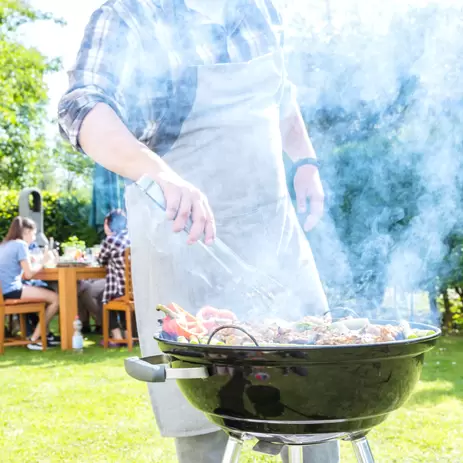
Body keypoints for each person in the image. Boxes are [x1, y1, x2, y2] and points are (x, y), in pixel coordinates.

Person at [58, 1, 339, 462]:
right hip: (183, 234)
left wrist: (305, 160)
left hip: (272, 227)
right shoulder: (130, 14)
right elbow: (81, 104)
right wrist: (157, 172)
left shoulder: (259, 9)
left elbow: (281, 94)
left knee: (318, 387)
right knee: (202, 412)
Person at [0, 217, 60, 350]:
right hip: (12, 290)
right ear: (25, 231)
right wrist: (43, 262)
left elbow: (17, 272)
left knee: (44, 291)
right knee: (56, 299)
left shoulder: (4, 245)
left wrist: (32, 262)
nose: (33, 238)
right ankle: (35, 339)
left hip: (3, 291)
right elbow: (28, 275)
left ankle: (46, 335)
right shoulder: (21, 244)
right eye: (33, 233)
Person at [94, 209, 131, 345]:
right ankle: (128, 334)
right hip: (135, 290)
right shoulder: (132, 237)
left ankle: (117, 337)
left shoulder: (111, 240)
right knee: (117, 296)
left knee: (103, 297)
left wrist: (108, 234)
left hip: (120, 289)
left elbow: (101, 260)